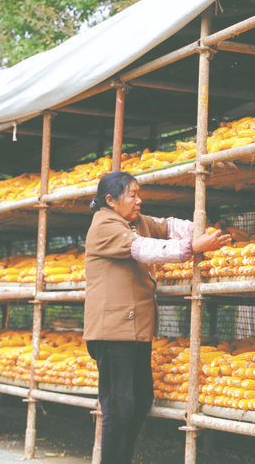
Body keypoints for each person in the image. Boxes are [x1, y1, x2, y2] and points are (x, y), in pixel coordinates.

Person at [85, 171, 232, 464]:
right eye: (132, 195)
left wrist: (206, 231)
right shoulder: (104, 226)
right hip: (111, 331)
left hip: (136, 329)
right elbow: (145, 249)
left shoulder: (135, 221)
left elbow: (167, 227)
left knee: (141, 401)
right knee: (119, 405)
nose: (139, 200)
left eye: (139, 194)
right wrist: (194, 247)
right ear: (111, 200)